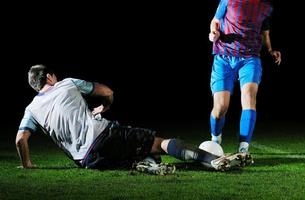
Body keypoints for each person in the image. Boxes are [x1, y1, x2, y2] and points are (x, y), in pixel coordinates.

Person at [16, 65, 252, 174]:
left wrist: (26, 163)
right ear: (49, 77)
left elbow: (20, 140)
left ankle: (145, 165)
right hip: (103, 136)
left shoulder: (31, 109)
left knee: (133, 151)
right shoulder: (66, 83)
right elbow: (107, 91)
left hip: (86, 160)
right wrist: (104, 106)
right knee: (158, 142)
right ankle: (213, 160)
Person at [208, 0, 282, 153]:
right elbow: (215, 21)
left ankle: (243, 149)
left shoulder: (266, 7)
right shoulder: (228, 1)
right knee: (220, 107)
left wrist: (270, 50)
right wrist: (214, 33)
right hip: (224, 57)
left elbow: (265, 33)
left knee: (249, 97)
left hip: (250, 58)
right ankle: (216, 138)